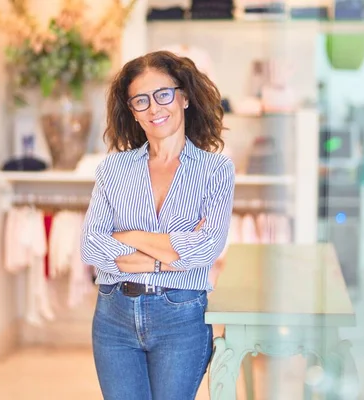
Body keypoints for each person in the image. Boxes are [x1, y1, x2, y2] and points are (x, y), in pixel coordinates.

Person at [80, 50, 235, 400]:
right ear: (132, 112)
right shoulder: (112, 169)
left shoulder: (216, 169)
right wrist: (169, 252)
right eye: (141, 100)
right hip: (113, 315)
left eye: (163, 94)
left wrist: (127, 238)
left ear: (183, 98)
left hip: (180, 316)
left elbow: (207, 248)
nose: (154, 108)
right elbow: (91, 245)